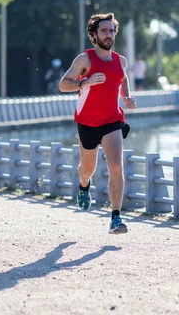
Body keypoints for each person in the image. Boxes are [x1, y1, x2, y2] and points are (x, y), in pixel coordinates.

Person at [58, 13, 136, 234]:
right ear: (94, 34)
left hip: (112, 120)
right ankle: (84, 185)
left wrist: (127, 97)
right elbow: (64, 85)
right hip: (88, 122)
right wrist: (86, 81)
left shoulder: (121, 60)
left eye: (111, 31)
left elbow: (122, 78)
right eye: (104, 31)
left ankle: (116, 218)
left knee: (117, 166)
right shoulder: (85, 59)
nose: (109, 35)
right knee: (87, 169)